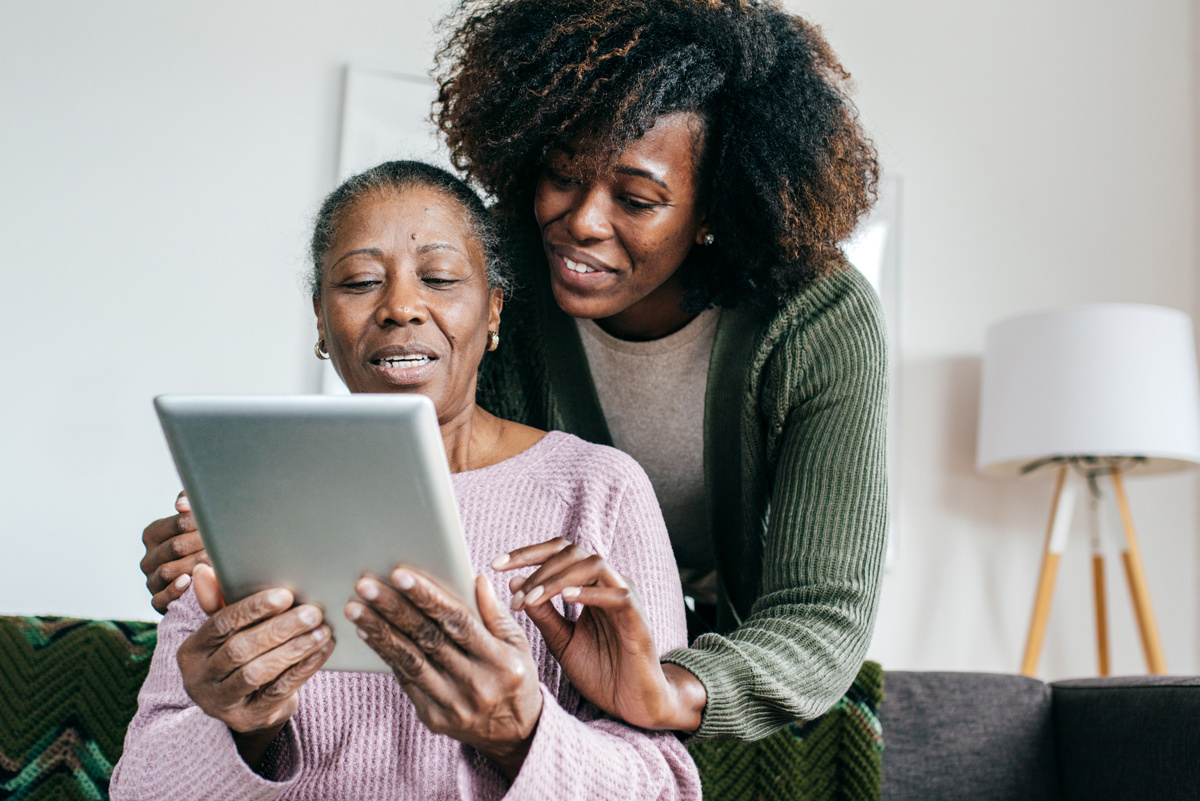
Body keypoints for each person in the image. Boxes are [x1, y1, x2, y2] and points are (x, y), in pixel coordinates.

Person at [142, 0, 888, 744]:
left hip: (726, 671)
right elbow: (435, 497)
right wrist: (239, 550)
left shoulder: (816, 318)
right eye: (562, 177)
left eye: (636, 199)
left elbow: (820, 612)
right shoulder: (498, 283)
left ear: (713, 209)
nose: (583, 222)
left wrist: (668, 689)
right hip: (562, 673)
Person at [113, 161, 700, 801]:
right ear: (320, 318)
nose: (399, 307)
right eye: (361, 281)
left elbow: (664, 788)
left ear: (494, 308)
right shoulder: (244, 492)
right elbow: (140, 787)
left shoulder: (599, 489)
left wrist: (517, 734)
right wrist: (238, 728)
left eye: (440, 278)